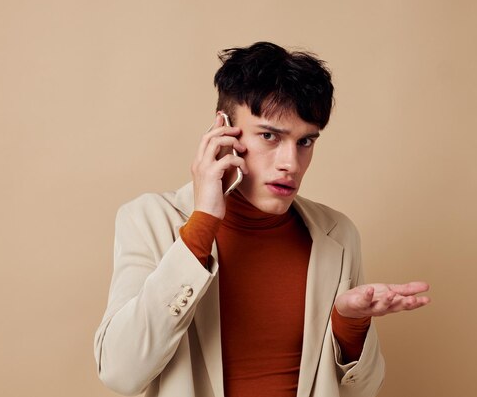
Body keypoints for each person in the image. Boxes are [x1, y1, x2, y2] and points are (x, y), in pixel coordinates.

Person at [94, 42, 430, 397]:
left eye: (305, 141)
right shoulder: (149, 220)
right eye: (269, 136)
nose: (291, 163)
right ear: (222, 129)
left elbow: (363, 391)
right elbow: (120, 372)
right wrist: (203, 222)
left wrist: (350, 324)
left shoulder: (337, 234)